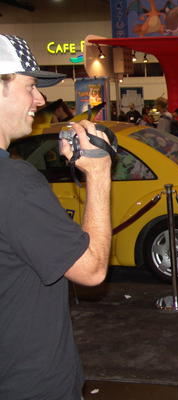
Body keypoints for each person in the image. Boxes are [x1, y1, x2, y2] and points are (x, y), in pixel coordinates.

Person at [0, 34, 112, 399]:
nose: (40, 99)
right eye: (29, 86)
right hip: (30, 384)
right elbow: (91, 270)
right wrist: (99, 173)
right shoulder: (13, 182)